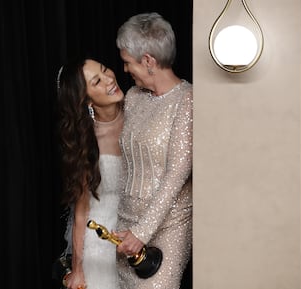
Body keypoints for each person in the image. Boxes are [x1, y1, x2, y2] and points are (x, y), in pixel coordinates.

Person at [113, 12, 193, 289]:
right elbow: (125, 162)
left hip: (166, 231)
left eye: (127, 62)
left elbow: (178, 172)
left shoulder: (187, 99)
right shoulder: (134, 97)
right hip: (124, 228)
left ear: (148, 61)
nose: (125, 70)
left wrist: (142, 232)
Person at [56, 56, 125, 289]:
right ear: (86, 100)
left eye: (106, 70)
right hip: (99, 244)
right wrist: (77, 271)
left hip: (136, 233)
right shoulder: (86, 143)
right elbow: (80, 213)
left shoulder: (138, 115)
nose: (109, 79)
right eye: (97, 81)